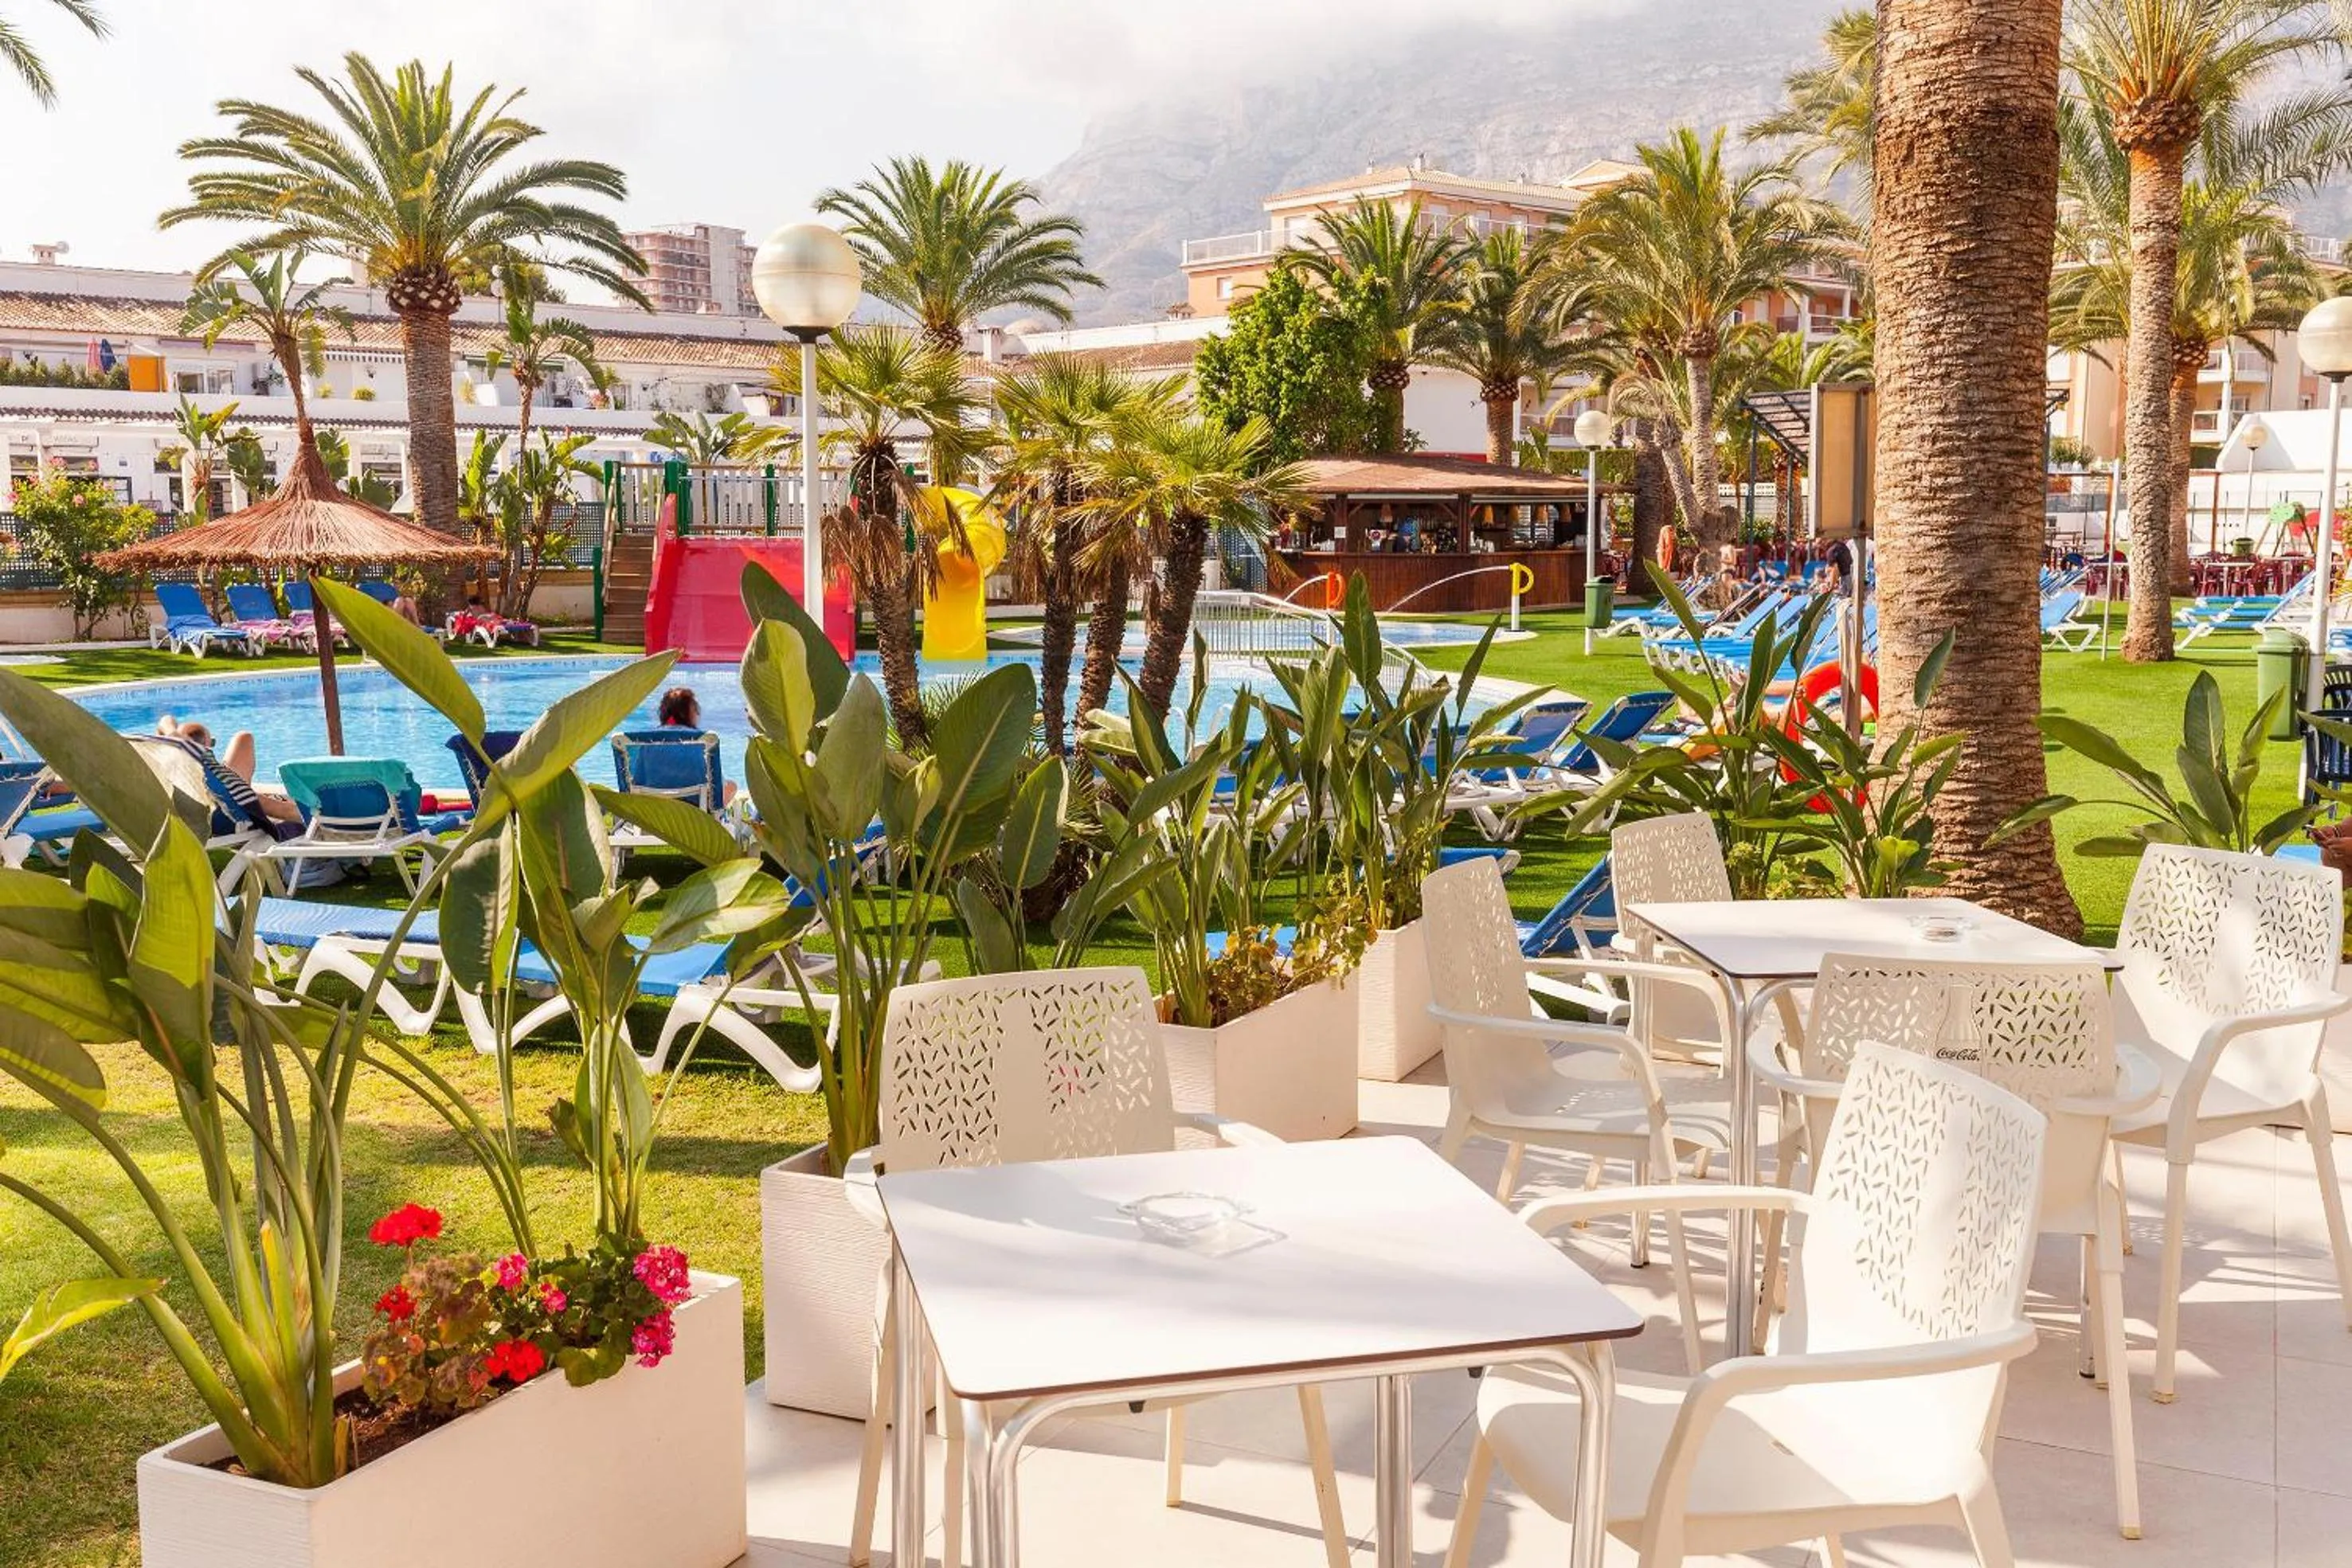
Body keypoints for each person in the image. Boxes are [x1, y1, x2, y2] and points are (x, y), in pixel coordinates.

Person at [151, 716, 302, 825]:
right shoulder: (228, 789)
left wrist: (172, 734)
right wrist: (312, 814)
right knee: (243, 737)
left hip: (194, 820)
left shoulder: (167, 783)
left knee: (243, 738)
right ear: (205, 748)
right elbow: (285, 812)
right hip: (230, 822)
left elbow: (166, 720)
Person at [655, 687, 738, 805]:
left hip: (655, 808)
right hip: (695, 810)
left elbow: (637, 779)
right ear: (690, 713)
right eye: (696, 710)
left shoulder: (646, 740)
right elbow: (716, 785)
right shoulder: (700, 741)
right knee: (731, 786)